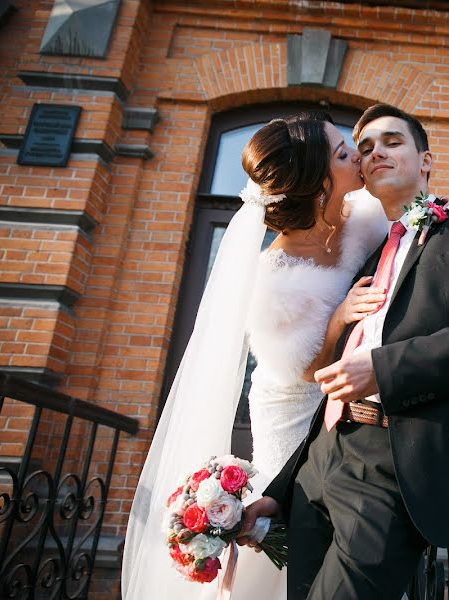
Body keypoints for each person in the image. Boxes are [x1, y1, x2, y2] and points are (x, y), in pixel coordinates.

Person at [240, 103, 449, 599]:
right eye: (363, 148)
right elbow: (328, 386)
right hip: (319, 465)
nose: (375, 152)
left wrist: (384, 370)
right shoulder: (361, 257)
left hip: (395, 465)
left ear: (425, 160)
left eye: (392, 141)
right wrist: (279, 491)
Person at [122, 113, 391, 598]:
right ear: (316, 182)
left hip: (352, 401)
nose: (356, 153)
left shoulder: (366, 217)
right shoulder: (274, 281)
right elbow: (303, 372)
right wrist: (339, 319)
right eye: (340, 152)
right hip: (292, 406)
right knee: (290, 520)